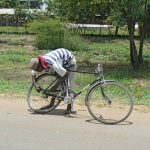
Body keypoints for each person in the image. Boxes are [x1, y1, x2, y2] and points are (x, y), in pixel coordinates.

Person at [29, 48, 77, 114]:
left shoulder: (52, 63)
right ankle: (51, 104)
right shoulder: (36, 63)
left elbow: (66, 74)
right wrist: (36, 85)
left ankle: (69, 106)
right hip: (59, 61)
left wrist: (53, 88)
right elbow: (33, 74)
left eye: (38, 70)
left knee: (70, 84)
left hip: (69, 61)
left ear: (40, 65)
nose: (38, 71)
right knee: (58, 80)